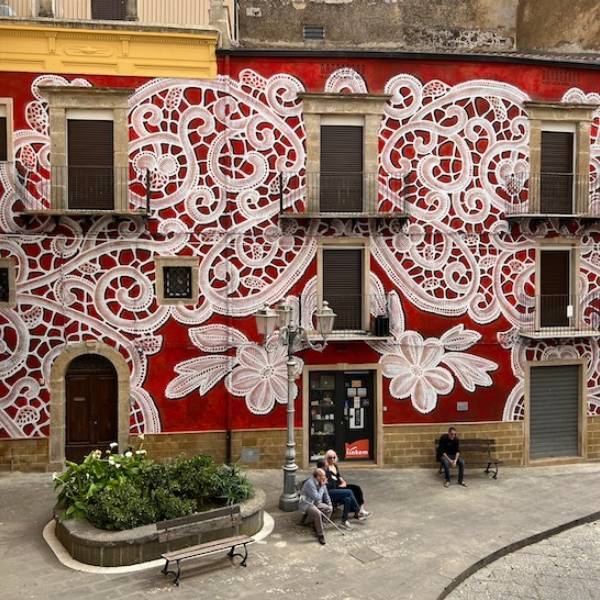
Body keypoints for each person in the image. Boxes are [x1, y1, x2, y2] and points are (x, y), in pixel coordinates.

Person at [323, 450, 371, 520]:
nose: (332, 459)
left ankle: (361, 508)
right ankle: (357, 511)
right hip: (334, 487)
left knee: (356, 488)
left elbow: (339, 476)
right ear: (327, 458)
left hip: (340, 484)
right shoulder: (326, 468)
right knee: (349, 492)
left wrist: (343, 482)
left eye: (334, 457)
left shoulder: (335, 466)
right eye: (330, 458)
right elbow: (328, 481)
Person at [299, 468, 333, 545]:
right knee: (317, 513)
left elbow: (326, 495)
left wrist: (330, 505)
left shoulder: (321, 481)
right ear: (318, 476)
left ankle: (320, 526)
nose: (325, 477)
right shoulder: (310, 483)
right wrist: (322, 486)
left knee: (329, 509)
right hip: (307, 503)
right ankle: (320, 534)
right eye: (323, 476)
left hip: (315, 503)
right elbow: (317, 497)